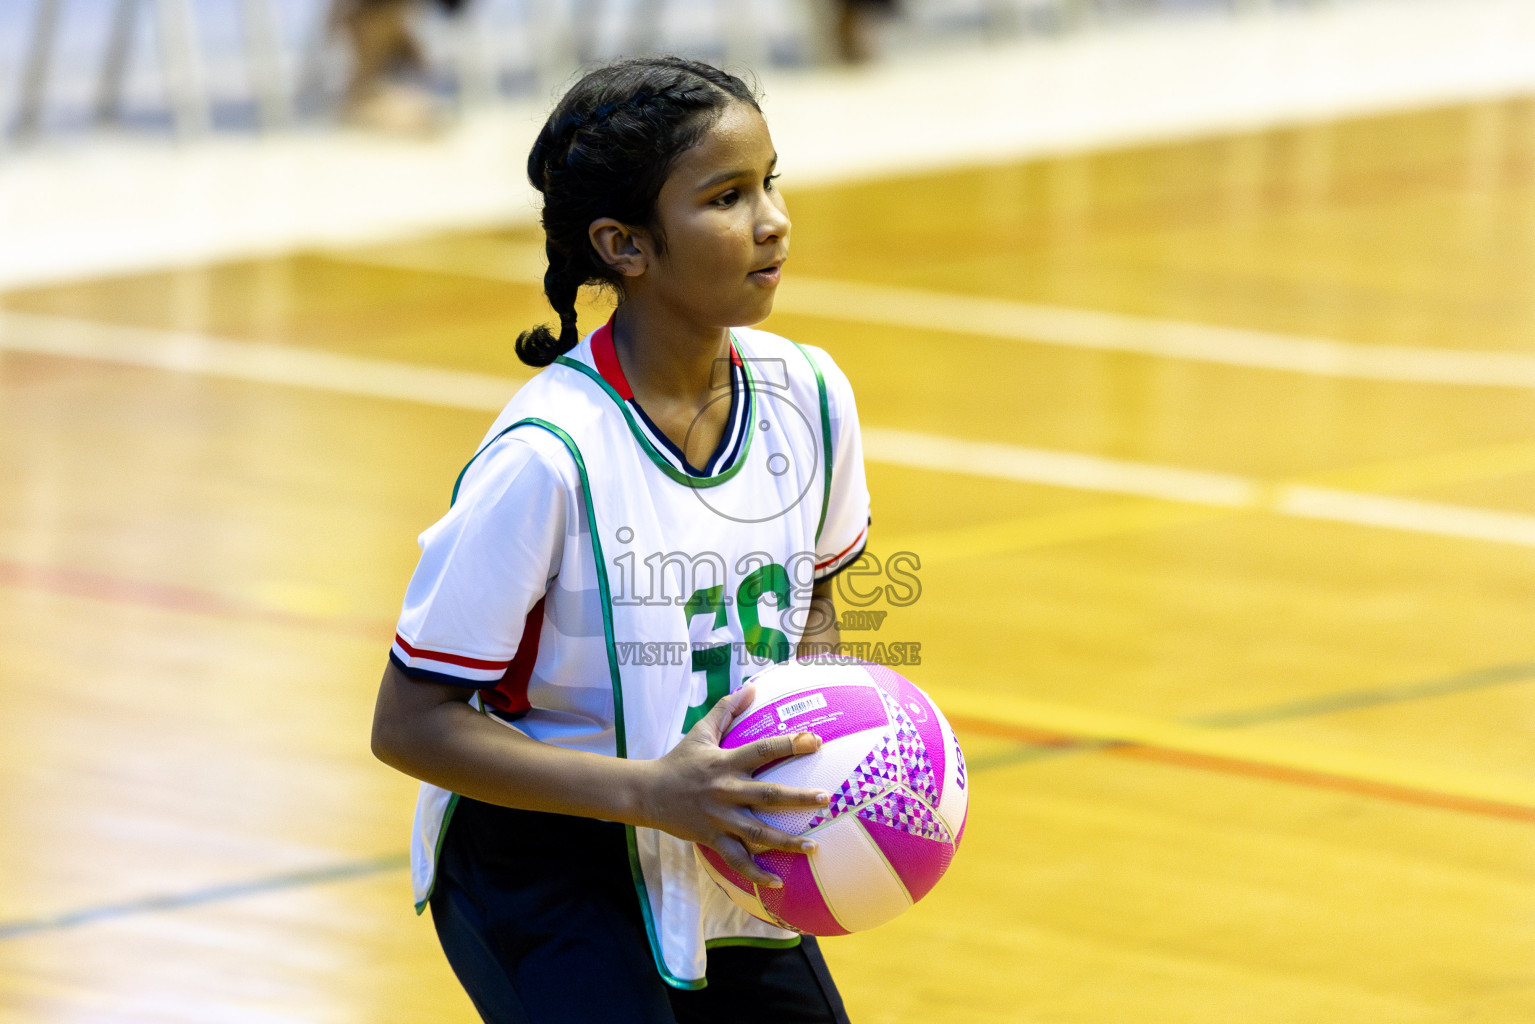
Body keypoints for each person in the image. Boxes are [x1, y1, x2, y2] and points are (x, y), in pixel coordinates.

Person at [370, 56, 872, 1023]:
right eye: (726, 197)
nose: (772, 220)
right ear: (624, 245)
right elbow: (409, 724)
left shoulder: (810, 394)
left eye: (770, 182)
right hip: (542, 859)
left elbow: (813, 596)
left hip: (713, 824)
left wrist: (829, 746)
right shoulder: (545, 457)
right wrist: (651, 793)